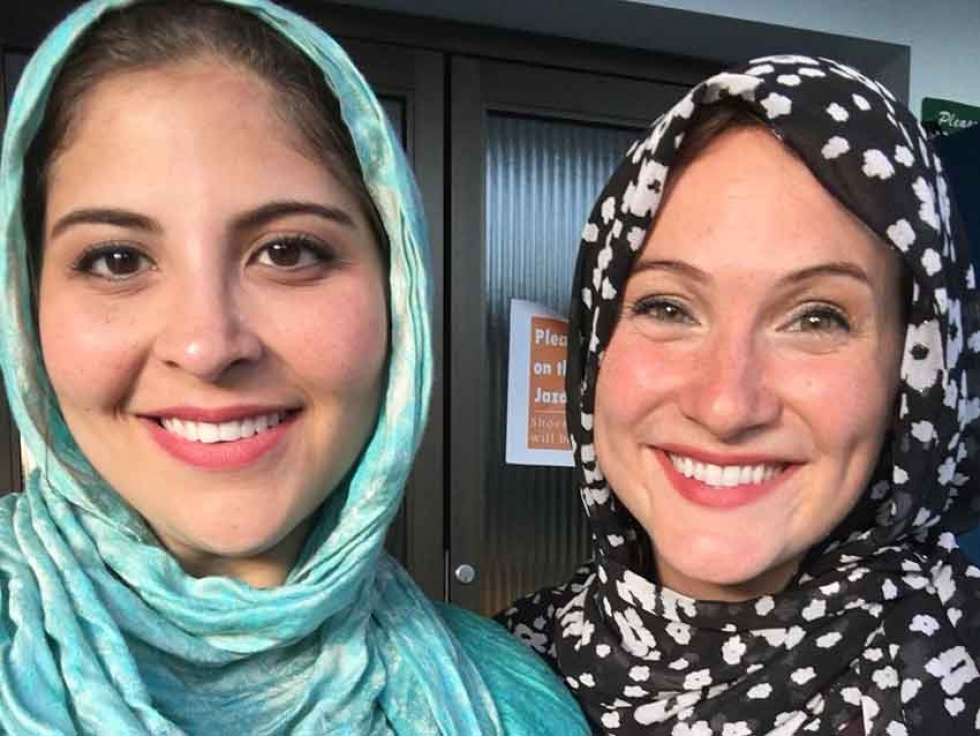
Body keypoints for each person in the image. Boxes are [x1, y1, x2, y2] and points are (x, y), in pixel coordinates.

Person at [0, 1, 589, 733]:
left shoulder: (516, 703)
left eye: (288, 251)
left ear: (398, 294)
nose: (208, 345)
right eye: (117, 259)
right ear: (26, 310)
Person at [498, 55, 980, 734]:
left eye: (817, 317)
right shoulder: (486, 678)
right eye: (668, 307)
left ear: (915, 374)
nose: (726, 406)